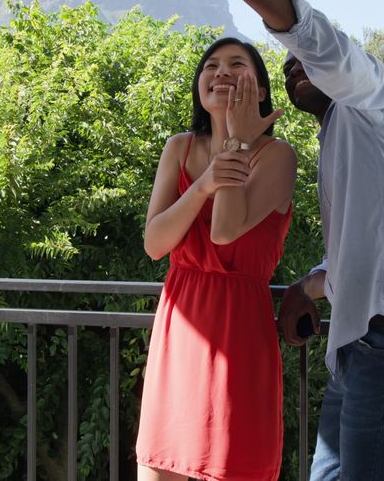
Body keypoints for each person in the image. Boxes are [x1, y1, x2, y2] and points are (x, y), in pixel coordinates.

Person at [159, 0, 384, 480]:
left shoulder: (378, 101)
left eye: (306, 62)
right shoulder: (337, 140)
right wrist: (307, 286)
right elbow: (366, 246)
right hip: (355, 340)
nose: (297, 64)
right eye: (289, 64)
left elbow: (313, 37)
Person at [135, 36, 297, 481]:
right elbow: (155, 244)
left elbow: (225, 231)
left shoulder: (277, 156)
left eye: (236, 64)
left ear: (260, 91)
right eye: (211, 65)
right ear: (198, 85)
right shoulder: (178, 148)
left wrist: (237, 142)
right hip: (180, 328)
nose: (221, 72)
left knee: (233, 464)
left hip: (238, 336)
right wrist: (204, 182)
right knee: (159, 465)